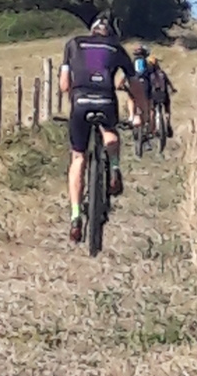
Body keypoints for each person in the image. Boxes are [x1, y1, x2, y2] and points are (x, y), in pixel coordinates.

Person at [60, 14, 147, 244]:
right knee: (110, 132)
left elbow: (64, 85)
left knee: (78, 158)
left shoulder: (73, 44)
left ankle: (76, 216)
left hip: (80, 103)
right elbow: (134, 83)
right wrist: (141, 113)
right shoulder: (116, 48)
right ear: (109, 33)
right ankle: (115, 167)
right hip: (106, 101)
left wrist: (74, 98)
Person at [148, 55, 176, 137]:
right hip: (164, 94)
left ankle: (152, 128)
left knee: (152, 111)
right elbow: (169, 83)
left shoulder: (149, 74)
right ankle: (168, 123)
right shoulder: (162, 73)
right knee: (167, 110)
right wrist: (173, 89)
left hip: (154, 95)